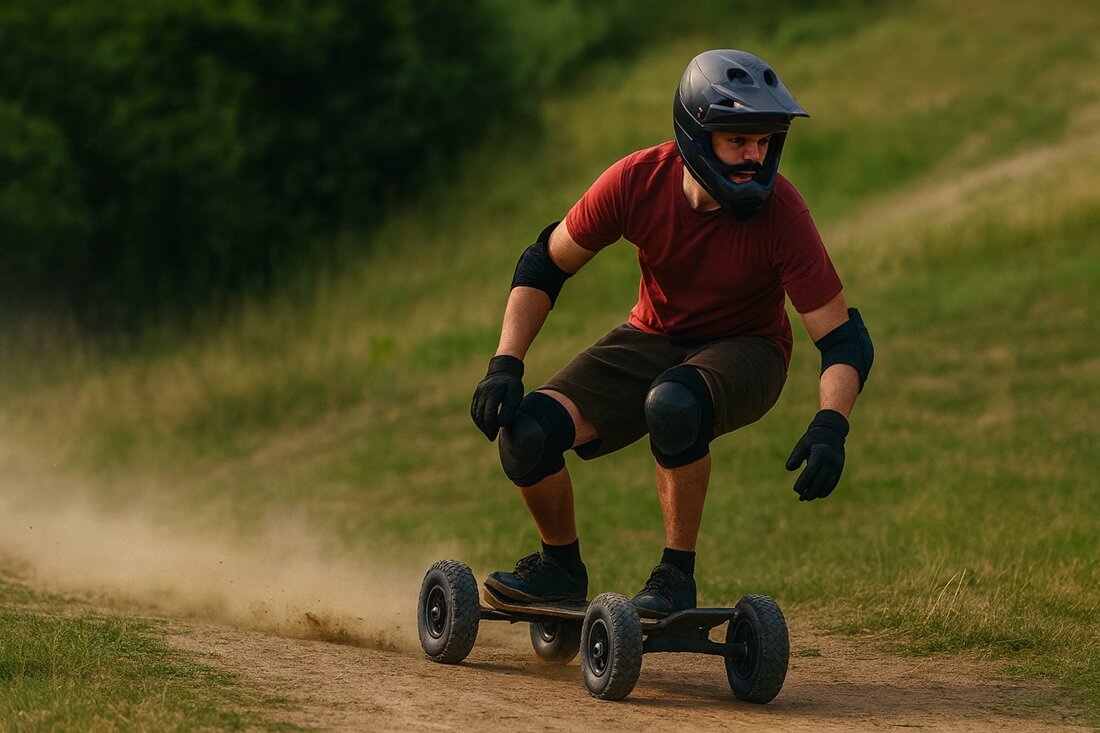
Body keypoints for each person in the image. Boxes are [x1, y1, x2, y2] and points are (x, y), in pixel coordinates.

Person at [470, 49, 873, 618]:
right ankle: (559, 568)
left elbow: (842, 339)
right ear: (695, 134)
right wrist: (505, 363)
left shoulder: (781, 212)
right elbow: (546, 262)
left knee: (675, 403)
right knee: (527, 433)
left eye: (764, 142)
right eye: (738, 142)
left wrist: (832, 425)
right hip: (651, 336)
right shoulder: (637, 181)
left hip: (750, 349)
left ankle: (674, 579)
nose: (754, 158)